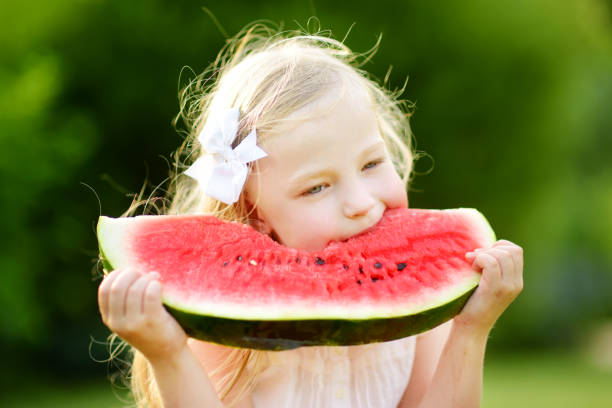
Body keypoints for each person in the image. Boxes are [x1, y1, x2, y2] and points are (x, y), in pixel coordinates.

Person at [97, 24, 523, 408]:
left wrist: (472, 327)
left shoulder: (418, 322)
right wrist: (168, 355)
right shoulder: (235, 333)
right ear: (255, 212)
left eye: (372, 164)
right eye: (316, 187)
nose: (360, 202)